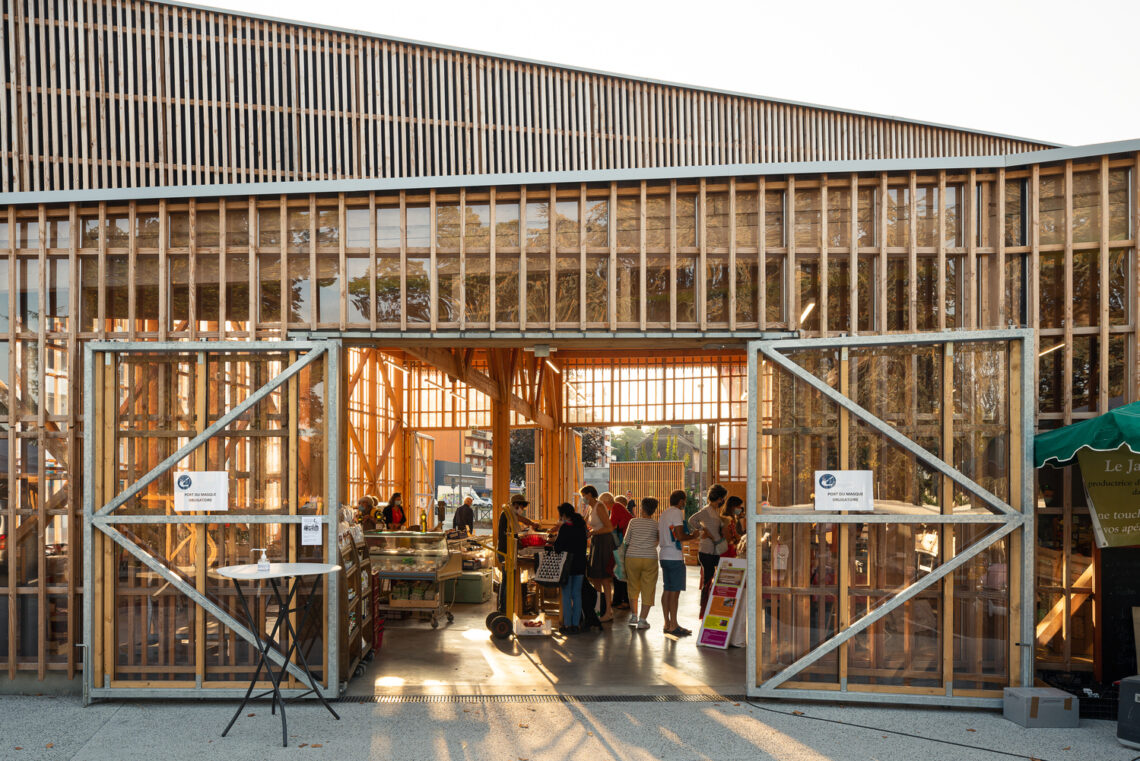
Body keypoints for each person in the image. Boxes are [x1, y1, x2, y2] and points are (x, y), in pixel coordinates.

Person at [659, 488, 697, 637]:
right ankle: (673, 625)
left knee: (667, 589)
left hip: (663, 555)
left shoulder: (664, 513)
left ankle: (667, 623)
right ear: (681, 501)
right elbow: (680, 535)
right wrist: (693, 536)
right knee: (674, 592)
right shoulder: (676, 513)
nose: (684, 504)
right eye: (684, 501)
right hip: (674, 556)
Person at [620, 496, 660, 629]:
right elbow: (657, 541)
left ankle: (634, 616)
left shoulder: (633, 522)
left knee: (633, 586)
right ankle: (643, 620)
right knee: (648, 589)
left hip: (632, 557)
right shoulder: (656, 524)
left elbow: (626, 541)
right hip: (650, 558)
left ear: (642, 508)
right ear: (654, 510)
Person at [691, 484, 729, 615]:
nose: (723, 501)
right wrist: (703, 530)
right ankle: (705, 606)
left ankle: (710, 605)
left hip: (715, 550)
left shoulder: (715, 511)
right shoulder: (706, 510)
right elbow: (692, 520)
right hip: (706, 550)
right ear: (718, 498)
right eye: (722, 498)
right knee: (708, 578)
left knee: (713, 577)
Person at [580, 485, 616, 623]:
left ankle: (608, 611)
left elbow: (609, 527)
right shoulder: (590, 508)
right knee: (595, 577)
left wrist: (593, 532)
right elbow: (584, 523)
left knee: (605, 578)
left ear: (589, 494)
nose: (583, 498)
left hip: (604, 542)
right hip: (596, 541)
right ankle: (597, 609)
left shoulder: (599, 506)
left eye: (584, 495)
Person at [552, 502, 588, 635]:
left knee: (566, 594)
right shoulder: (581, 526)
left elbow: (558, 548)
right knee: (577, 594)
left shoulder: (565, 528)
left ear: (564, 514)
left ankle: (567, 625)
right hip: (580, 564)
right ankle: (575, 625)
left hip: (567, 566)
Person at [609, 495, 634, 611]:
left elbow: (611, 524)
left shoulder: (616, 508)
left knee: (621, 574)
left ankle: (624, 600)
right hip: (622, 545)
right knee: (620, 573)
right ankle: (619, 599)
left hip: (622, 546)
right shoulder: (628, 516)